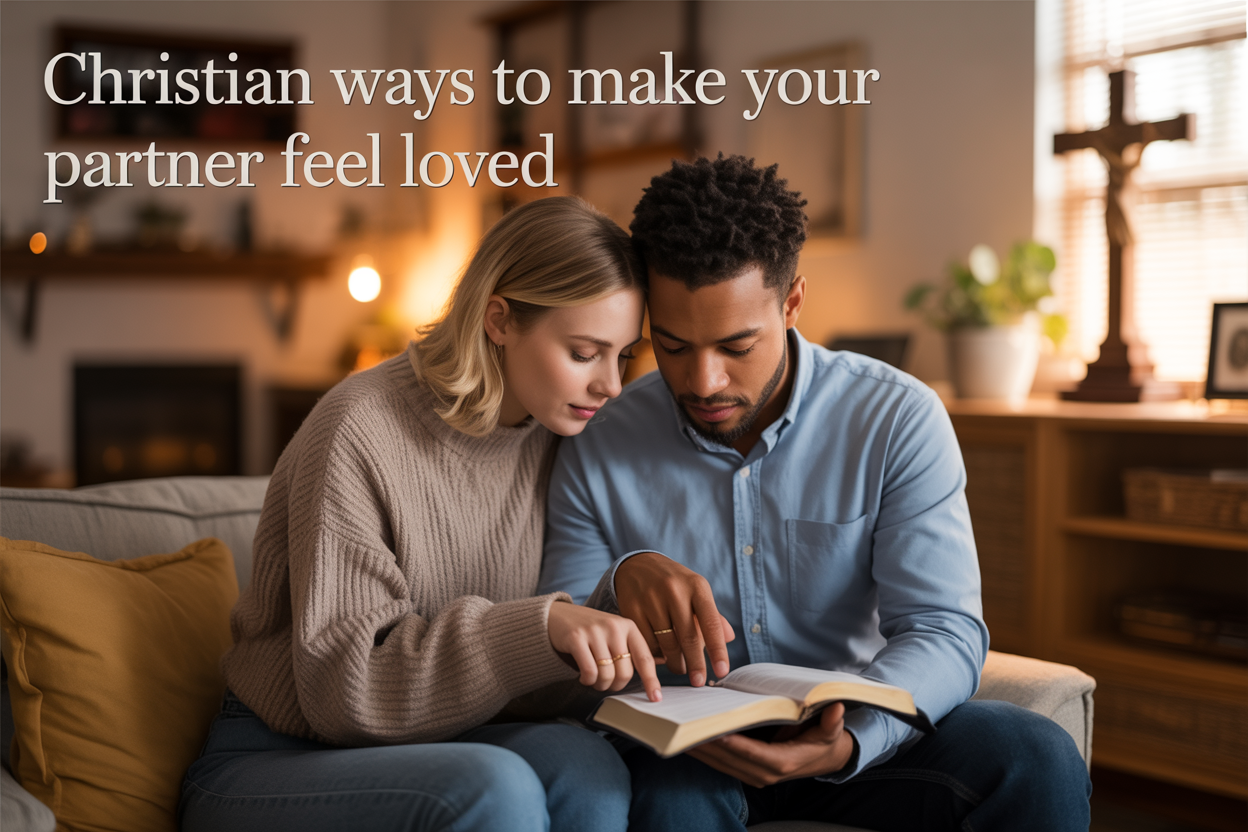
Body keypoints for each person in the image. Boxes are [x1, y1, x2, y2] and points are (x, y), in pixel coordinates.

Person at [538, 156, 1092, 831]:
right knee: (673, 800)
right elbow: (561, 649)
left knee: (1036, 755)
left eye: (737, 346)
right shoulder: (599, 437)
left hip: (857, 728)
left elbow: (943, 629)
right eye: (673, 346)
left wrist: (856, 736)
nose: (704, 381)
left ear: (793, 302)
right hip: (687, 753)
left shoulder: (896, 418)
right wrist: (619, 585)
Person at [180, 196, 662, 832]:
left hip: (448, 741)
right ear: (499, 320)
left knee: (587, 769)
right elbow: (340, 694)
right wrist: (538, 627)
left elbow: (517, 684)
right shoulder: (358, 428)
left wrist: (609, 626)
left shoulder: (556, 435)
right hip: (275, 755)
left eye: (623, 356)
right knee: (494, 787)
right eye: (583, 353)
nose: (611, 385)